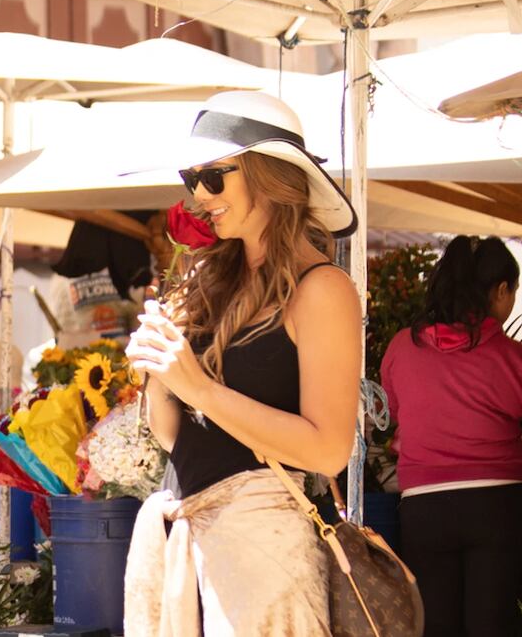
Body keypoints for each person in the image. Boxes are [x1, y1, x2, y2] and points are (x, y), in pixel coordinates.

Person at [122, 91, 363, 635]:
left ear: (270, 175)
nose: (200, 196)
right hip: (186, 543)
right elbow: (172, 438)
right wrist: (163, 373)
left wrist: (201, 388)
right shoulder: (212, 284)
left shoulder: (322, 289)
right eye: (192, 180)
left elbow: (328, 449)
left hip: (265, 554)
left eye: (215, 177)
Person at [381, 236, 522, 637]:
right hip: (496, 506)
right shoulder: (520, 361)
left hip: (424, 508)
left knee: (436, 627)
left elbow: (394, 418)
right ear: (502, 290)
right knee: (491, 626)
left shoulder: (401, 348)